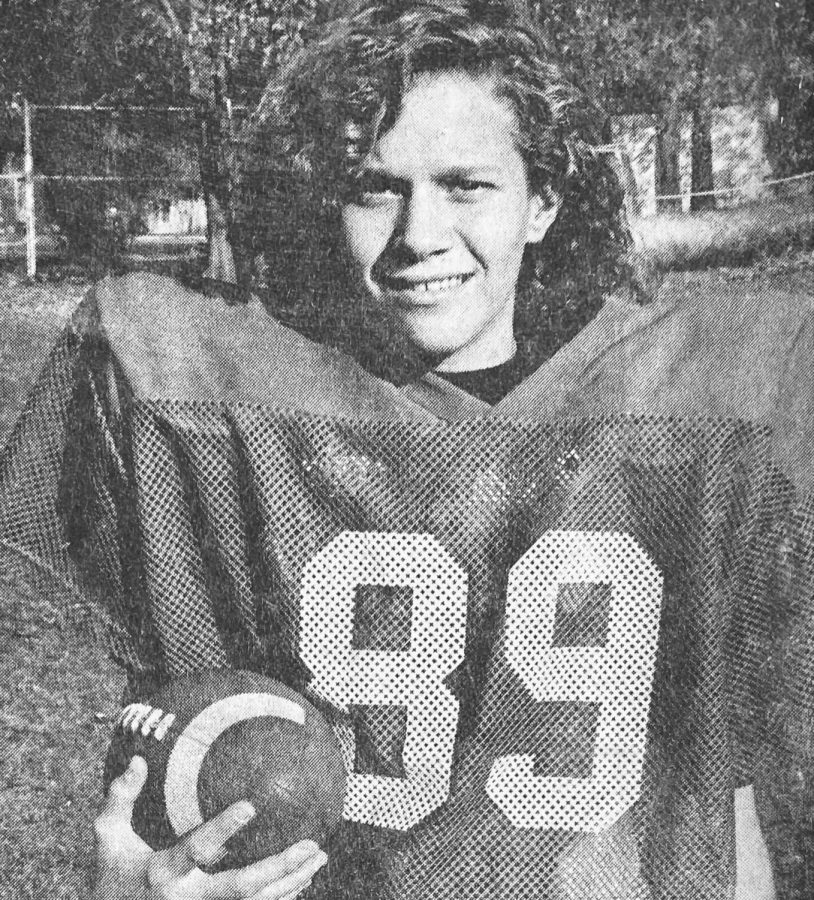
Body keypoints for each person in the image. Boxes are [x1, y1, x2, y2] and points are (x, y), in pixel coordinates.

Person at [0, 1, 811, 898]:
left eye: (466, 184)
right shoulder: (237, 413)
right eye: (375, 188)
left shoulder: (680, 418)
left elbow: (713, 783)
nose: (419, 234)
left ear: (542, 202)